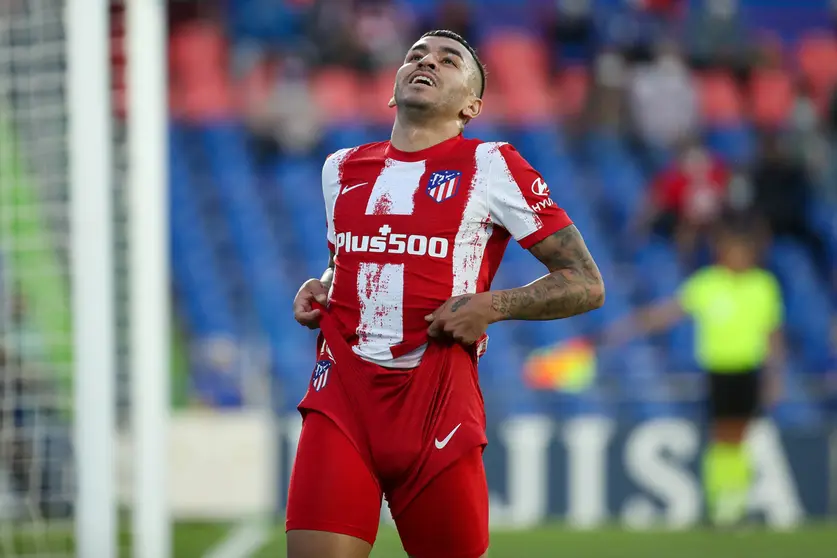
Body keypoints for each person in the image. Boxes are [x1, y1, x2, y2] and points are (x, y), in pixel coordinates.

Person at [289, 29, 605, 558]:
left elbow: (585, 283)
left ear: (471, 106)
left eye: (448, 60)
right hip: (341, 394)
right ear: (392, 90)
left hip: (437, 399)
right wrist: (322, 285)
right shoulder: (340, 169)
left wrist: (494, 305)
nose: (426, 62)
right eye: (415, 55)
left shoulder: (493, 166)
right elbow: (347, 260)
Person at [604, 215, 785, 527]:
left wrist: (774, 376)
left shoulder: (762, 286)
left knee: (739, 436)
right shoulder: (708, 283)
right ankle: (720, 504)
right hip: (718, 370)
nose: (737, 256)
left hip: (747, 369)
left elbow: (772, 334)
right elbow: (671, 311)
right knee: (721, 435)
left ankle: (736, 503)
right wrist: (634, 325)